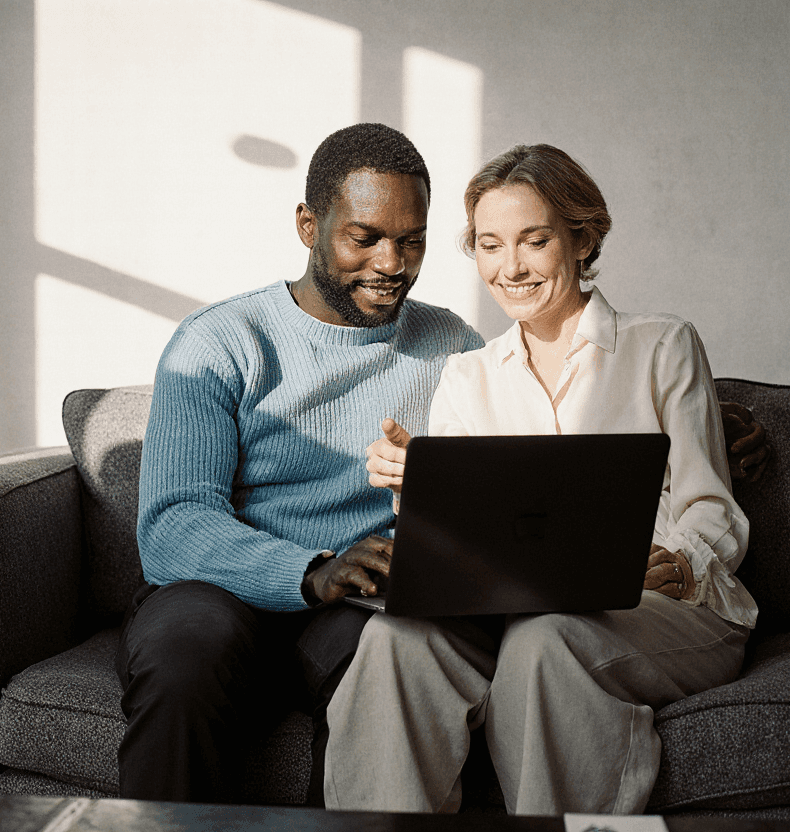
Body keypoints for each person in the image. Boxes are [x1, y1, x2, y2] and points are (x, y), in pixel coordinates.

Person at [325, 144, 761, 815]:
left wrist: (684, 561)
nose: (512, 267)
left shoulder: (662, 345)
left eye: (535, 241)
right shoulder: (468, 375)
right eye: (491, 245)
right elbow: (465, 543)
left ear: (581, 240)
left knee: (544, 641)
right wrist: (421, 488)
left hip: (661, 609)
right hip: (510, 608)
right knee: (393, 638)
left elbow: (709, 503)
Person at [116, 122, 485, 803]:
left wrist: (693, 422)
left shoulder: (454, 345)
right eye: (365, 237)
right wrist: (309, 571)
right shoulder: (219, 342)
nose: (392, 263)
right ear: (308, 225)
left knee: (403, 671)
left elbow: (529, 449)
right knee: (181, 657)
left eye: (412, 241)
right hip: (222, 591)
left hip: (362, 602)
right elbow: (173, 525)